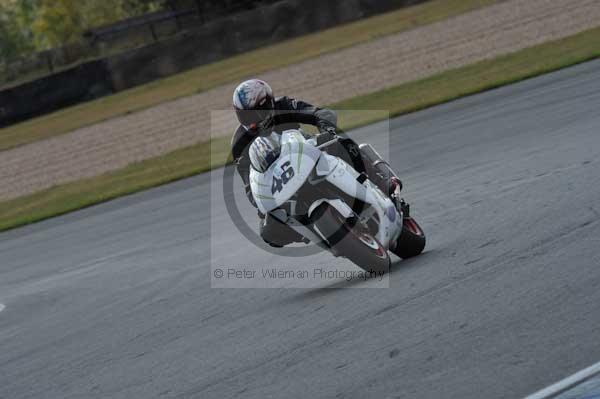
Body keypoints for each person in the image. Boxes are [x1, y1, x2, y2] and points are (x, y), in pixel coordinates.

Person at [230, 79, 401, 247]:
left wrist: (327, 127)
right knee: (268, 232)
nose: (251, 122)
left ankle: (380, 181)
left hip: (307, 152)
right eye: (245, 116)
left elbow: (318, 113)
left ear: (268, 104)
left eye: (254, 114)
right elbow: (249, 183)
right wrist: (261, 204)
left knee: (340, 142)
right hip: (281, 182)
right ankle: (314, 230)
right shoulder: (239, 143)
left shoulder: (283, 106)